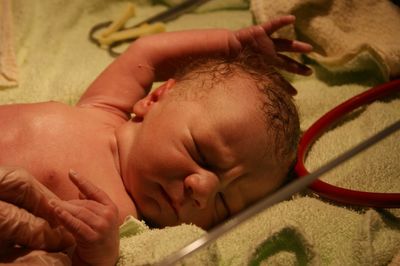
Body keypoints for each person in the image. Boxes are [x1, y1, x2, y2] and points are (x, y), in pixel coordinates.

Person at [0, 15, 312, 265]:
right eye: (202, 154)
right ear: (155, 98)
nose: (202, 190)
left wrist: (98, 253)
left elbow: (52, 252)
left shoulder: (122, 221)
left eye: (222, 204)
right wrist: (232, 44)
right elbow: (147, 52)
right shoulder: (103, 108)